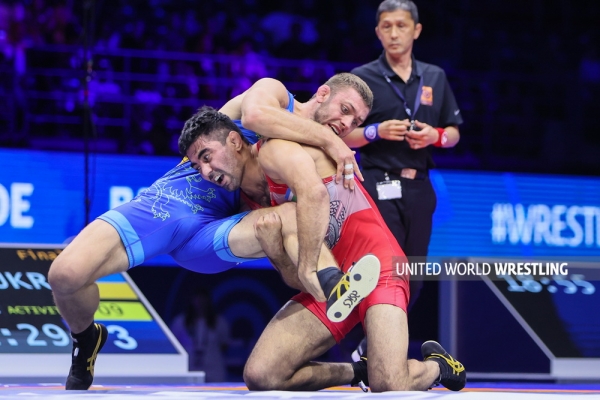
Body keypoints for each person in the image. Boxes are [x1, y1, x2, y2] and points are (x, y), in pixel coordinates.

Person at [47, 75, 370, 391]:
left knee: (289, 217)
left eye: (355, 121)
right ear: (323, 94)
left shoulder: (305, 157)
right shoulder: (275, 97)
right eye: (344, 110)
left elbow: (304, 228)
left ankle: (333, 284)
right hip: (166, 207)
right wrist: (331, 141)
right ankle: (85, 339)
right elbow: (255, 115)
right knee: (65, 275)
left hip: (216, 235)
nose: (346, 124)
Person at [181, 87, 466, 391]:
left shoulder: (275, 151)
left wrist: (309, 268)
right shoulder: (249, 211)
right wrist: (276, 252)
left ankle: (438, 366)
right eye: (199, 166)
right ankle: (358, 370)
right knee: (262, 375)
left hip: (378, 264)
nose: (206, 172)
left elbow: (314, 193)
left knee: (389, 383)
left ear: (235, 141)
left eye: (208, 158)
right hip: (335, 289)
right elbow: (299, 281)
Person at [342, 0, 464, 358]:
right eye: (387, 26)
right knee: (386, 270)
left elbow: (454, 133)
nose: (394, 33)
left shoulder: (434, 77)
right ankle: (376, 351)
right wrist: (376, 131)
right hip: (377, 184)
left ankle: (371, 349)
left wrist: (435, 136)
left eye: (401, 26)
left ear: (416, 30)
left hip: (420, 187)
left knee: (416, 276)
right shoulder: (362, 78)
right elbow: (342, 134)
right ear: (377, 32)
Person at [169, 288, 230, 382]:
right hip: (188, 369)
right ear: (191, 300)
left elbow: (224, 345)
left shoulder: (219, 322)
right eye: (197, 298)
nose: (200, 302)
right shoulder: (179, 322)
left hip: (214, 370)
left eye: (203, 299)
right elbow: (173, 347)